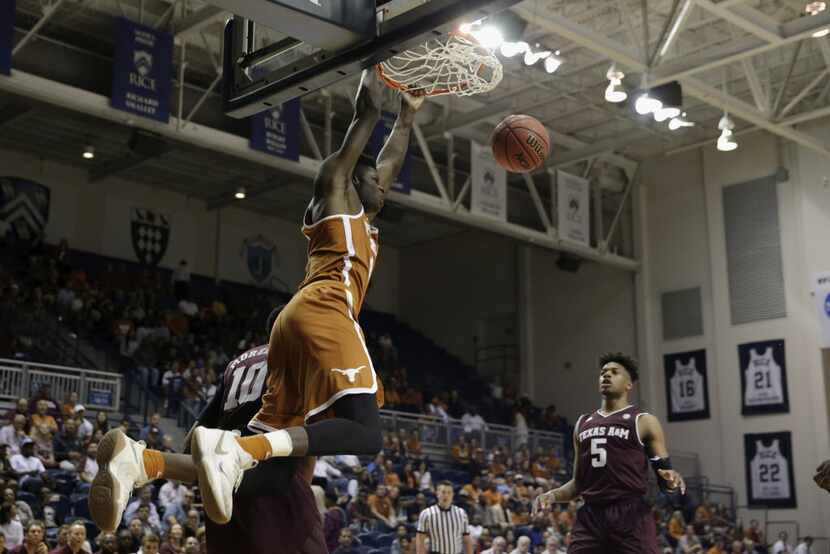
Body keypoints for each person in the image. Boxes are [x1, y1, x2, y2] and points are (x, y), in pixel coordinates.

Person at [189, 67, 422, 520]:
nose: (383, 187)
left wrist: (408, 118)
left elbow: (388, 164)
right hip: (324, 310)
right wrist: (374, 61)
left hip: (293, 324)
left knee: (270, 471)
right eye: (373, 181)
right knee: (365, 433)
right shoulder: (335, 191)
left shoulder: (363, 219)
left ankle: (144, 463)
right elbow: (365, 114)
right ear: (354, 179)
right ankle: (232, 451)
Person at [534, 352, 685, 554]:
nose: (606, 375)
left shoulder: (643, 421)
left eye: (614, 372)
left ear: (629, 384)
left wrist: (670, 479)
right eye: (603, 372)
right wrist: (551, 495)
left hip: (630, 513)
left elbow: (667, 480)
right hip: (591, 516)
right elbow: (578, 483)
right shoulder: (582, 423)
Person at [415, 481, 473, 554]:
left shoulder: (461, 513)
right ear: (437, 493)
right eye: (443, 492)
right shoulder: (427, 514)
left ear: (453, 495)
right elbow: (420, 539)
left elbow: (467, 539)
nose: (446, 495)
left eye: (449, 492)